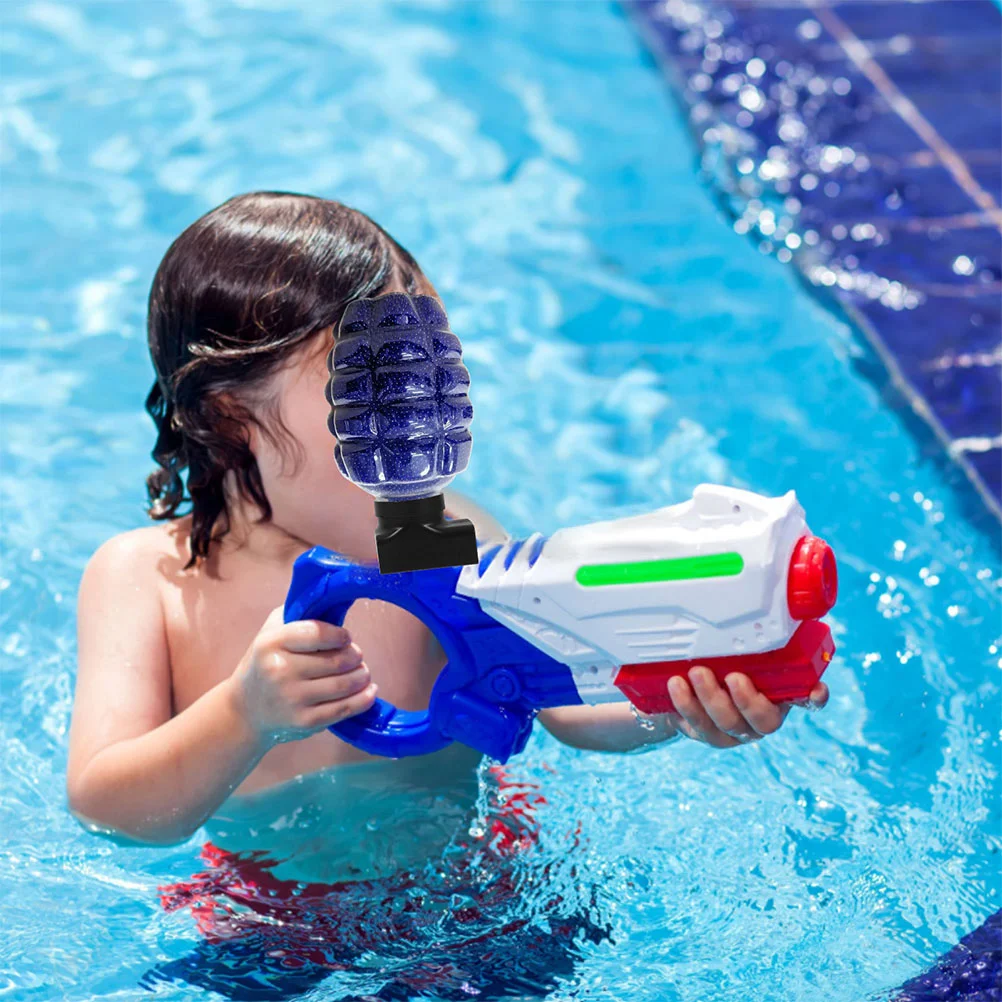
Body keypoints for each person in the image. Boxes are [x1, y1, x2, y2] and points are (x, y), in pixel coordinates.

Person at [67, 190, 828, 851]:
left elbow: (570, 704)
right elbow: (111, 808)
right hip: (262, 907)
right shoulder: (148, 581)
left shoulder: (443, 536)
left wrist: (683, 698)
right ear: (230, 418)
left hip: (464, 886)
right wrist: (242, 714)